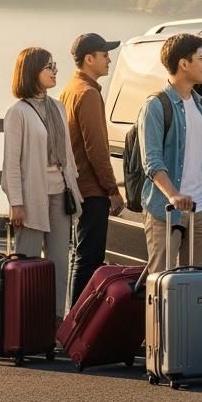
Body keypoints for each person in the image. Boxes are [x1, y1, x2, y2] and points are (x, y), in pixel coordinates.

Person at [3, 47, 84, 320]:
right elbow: (11, 163)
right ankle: (24, 323)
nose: (54, 71)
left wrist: (74, 187)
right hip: (31, 196)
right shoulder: (18, 113)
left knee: (59, 263)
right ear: (32, 72)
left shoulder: (59, 107)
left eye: (54, 65)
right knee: (27, 263)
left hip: (61, 193)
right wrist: (16, 202)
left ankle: (56, 324)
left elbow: (68, 155)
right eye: (48, 66)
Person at [138, 33, 202, 274]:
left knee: (195, 285)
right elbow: (152, 161)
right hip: (166, 211)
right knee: (161, 283)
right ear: (184, 63)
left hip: (200, 209)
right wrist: (174, 195)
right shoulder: (155, 106)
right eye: (201, 58)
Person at [60, 32, 124, 305]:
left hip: (76, 186)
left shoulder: (69, 89)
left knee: (80, 255)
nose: (109, 59)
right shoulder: (87, 94)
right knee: (89, 258)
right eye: (104, 54)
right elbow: (96, 149)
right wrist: (112, 190)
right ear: (89, 58)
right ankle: (77, 326)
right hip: (91, 189)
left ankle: (74, 324)